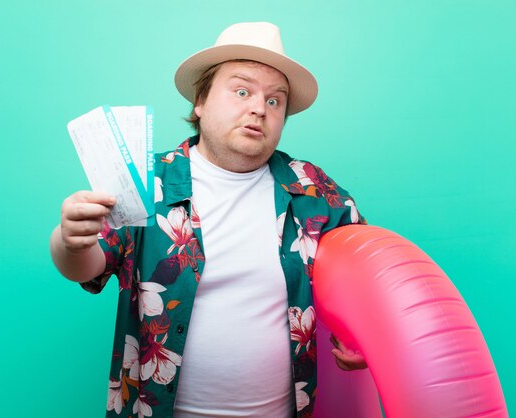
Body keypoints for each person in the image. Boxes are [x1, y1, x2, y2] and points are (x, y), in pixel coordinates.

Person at [50, 22, 366, 418]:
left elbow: (368, 277)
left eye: (275, 101)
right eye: (241, 91)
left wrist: (366, 338)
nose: (257, 108)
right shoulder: (148, 181)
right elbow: (88, 265)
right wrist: (69, 241)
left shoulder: (312, 188)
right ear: (200, 101)